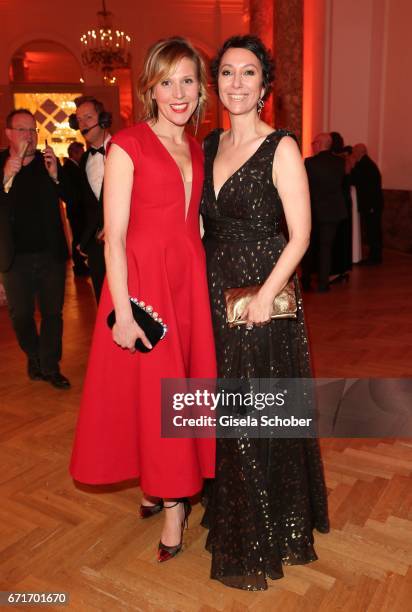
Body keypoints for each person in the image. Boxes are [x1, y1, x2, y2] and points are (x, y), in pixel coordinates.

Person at [70, 37, 216, 562]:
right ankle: (172, 499)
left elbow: (192, 221)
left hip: (188, 281)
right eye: (166, 82)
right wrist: (124, 313)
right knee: (153, 393)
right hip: (144, 286)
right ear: (149, 88)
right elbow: (115, 235)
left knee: (176, 396)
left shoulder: (198, 147)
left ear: (200, 89)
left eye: (187, 80)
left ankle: (164, 488)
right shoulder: (126, 145)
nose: (177, 93)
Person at [200, 35, 329, 590]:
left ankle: (267, 532)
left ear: (264, 84)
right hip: (215, 295)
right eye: (226, 73)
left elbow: (300, 236)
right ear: (217, 82)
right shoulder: (208, 145)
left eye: (247, 73)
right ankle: (238, 517)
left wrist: (260, 298)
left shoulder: (281, 147)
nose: (236, 83)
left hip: (263, 301)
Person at [0, 109, 71, 389]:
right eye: (22, 130)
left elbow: (72, 198)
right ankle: (34, 355)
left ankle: (51, 366)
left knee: (53, 313)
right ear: (8, 134)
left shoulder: (49, 162)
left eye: (33, 130)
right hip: (13, 258)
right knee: (20, 315)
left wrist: (56, 177)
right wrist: (4, 175)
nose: (29, 136)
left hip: (50, 255)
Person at [71, 96, 112, 301]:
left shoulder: (125, 149)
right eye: (78, 120)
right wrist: (84, 241)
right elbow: (86, 207)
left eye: (88, 117)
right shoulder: (85, 159)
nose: (83, 124)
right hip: (96, 248)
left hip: (126, 243)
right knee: (103, 305)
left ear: (103, 119)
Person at [302, 132, 347, 292]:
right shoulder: (340, 162)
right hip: (333, 212)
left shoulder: (309, 163)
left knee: (307, 248)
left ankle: (305, 281)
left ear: (319, 144)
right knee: (326, 248)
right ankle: (323, 284)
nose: (312, 145)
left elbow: (303, 188)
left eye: (314, 143)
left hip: (313, 212)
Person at [350, 143, 384, 265]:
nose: (352, 154)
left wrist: (352, 166)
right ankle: (374, 256)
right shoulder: (367, 164)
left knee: (373, 231)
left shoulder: (364, 165)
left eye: (354, 152)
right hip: (373, 204)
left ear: (360, 152)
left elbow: (353, 179)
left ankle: (375, 258)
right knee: (372, 231)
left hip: (371, 205)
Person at [61, 141, 89, 277]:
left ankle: (81, 264)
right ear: (74, 153)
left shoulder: (75, 167)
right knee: (78, 237)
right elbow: (71, 192)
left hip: (79, 210)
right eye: (81, 152)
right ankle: (79, 266)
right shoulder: (68, 168)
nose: (83, 155)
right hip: (76, 211)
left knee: (80, 236)